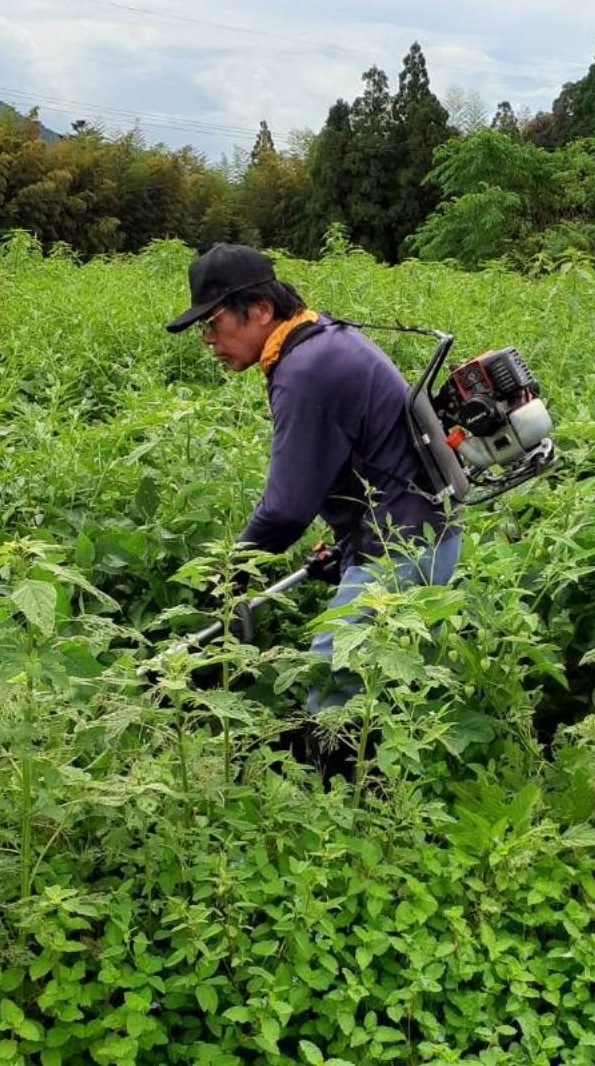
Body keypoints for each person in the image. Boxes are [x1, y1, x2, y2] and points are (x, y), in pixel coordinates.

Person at [165, 242, 461, 725]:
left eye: (213, 324)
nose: (209, 341)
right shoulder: (323, 338)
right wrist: (346, 549)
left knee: (331, 688)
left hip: (401, 550)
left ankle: (335, 792)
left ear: (260, 309)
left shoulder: (303, 370)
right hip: (423, 537)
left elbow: (286, 509)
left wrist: (232, 570)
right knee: (377, 692)